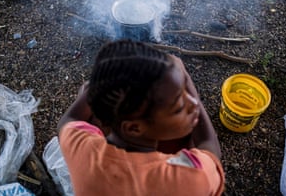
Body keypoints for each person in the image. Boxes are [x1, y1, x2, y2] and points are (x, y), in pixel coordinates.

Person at [57, 40, 225, 195]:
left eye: (186, 93)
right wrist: (186, 80)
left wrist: (101, 86)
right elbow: (208, 146)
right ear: (133, 128)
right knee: (188, 138)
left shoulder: (81, 149)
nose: (193, 102)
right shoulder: (191, 176)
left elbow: (69, 120)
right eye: (179, 107)